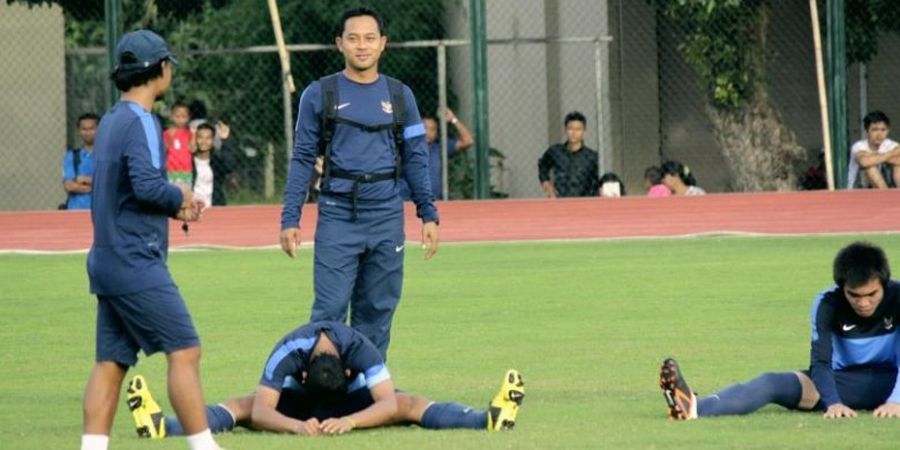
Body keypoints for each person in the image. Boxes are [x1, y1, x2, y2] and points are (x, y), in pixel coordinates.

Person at [81, 29, 222, 450]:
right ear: (161, 70)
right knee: (185, 349)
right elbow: (145, 186)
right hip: (133, 259)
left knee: (112, 362)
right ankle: (204, 447)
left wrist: (170, 205)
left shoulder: (110, 119)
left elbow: (126, 189)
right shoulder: (143, 120)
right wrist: (178, 196)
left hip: (106, 257)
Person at [279, 7, 440, 359]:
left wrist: (428, 214)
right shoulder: (319, 94)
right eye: (353, 38)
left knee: (378, 312)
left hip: (386, 214)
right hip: (338, 216)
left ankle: (368, 391)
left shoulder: (401, 97)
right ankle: (320, 390)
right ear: (340, 44)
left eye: (370, 38)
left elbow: (415, 157)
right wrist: (290, 218)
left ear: (383, 43)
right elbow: (303, 157)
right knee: (329, 312)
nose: (362, 46)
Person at [125, 321, 525, 437]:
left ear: (348, 372)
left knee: (404, 402)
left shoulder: (360, 348)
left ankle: (487, 418)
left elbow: (385, 401)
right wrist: (297, 425)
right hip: (297, 403)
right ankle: (163, 425)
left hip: (351, 401)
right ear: (302, 373)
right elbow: (265, 409)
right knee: (246, 405)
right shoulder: (287, 352)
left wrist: (350, 420)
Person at [660, 241, 900, 420]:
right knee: (771, 383)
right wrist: (834, 402)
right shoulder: (827, 302)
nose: (864, 302)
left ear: (884, 285)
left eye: (871, 295)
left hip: (893, 377)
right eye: (854, 295)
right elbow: (820, 362)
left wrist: (896, 401)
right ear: (841, 287)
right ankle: (693, 407)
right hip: (843, 381)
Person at [399, 109, 474, 200]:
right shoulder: (405, 146)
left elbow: (468, 141)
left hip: (433, 201)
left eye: (432, 129)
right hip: (407, 201)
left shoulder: (440, 148)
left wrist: (453, 119)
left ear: (436, 133)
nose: (428, 132)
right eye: (425, 128)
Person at [538, 111, 599, 198]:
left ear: (584, 132)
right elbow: (543, 165)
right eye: (570, 129)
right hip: (560, 201)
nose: (574, 133)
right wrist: (546, 183)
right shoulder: (556, 152)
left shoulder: (592, 157)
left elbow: (597, 182)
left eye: (578, 129)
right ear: (565, 130)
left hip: (583, 203)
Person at [847, 111, 900, 189]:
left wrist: (873, 157)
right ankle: (886, 196)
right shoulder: (858, 146)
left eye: (883, 130)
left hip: (886, 184)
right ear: (866, 131)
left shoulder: (891, 144)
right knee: (870, 167)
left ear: (888, 131)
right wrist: (892, 154)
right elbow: (864, 162)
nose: (879, 134)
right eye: (875, 130)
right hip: (857, 189)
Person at [61, 113, 100, 209]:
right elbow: (69, 186)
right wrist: (95, 186)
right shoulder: (72, 156)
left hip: (100, 212)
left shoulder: (107, 156)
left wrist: (83, 180)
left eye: (91, 128)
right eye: (84, 129)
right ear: (79, 132)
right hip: (75, 213)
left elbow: (110, 184)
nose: (87, 132)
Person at [192, 122, 235, 207]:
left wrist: (225, 140)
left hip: (214, 208)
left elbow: (229, 166)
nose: (204, 141)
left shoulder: (216, 162)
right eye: (200, 137)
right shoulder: (189, 161)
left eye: (208, 138)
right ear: (195, 139)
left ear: (213, 141)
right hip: (193, 210)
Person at [165, 101, 194, 184]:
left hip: (186, 170)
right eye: (177, 116)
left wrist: (194, 135)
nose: (180, 120)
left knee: (185, 193)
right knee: (171, 194)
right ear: (172, 117)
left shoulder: (189, 133)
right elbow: (164, 149)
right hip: (171, 170)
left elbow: (192, 149)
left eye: (184, 117)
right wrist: (170, 138)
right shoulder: (167, 133)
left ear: (188, 118)